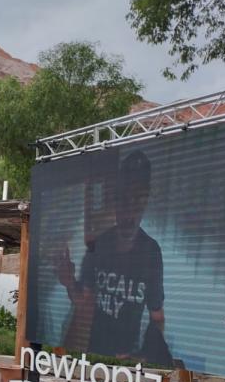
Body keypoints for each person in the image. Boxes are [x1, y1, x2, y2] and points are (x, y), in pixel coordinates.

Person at [55, 151, 168, 363]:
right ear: (116, 199)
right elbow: (83, 301)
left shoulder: (152, 253)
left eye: (138, 199)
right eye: (125, 199)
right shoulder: (100, 244)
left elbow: (157, 317)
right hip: (91, 354)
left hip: (125, 364)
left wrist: (144, 355)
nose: (130, 209)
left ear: (146, 200)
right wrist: (70, 283)